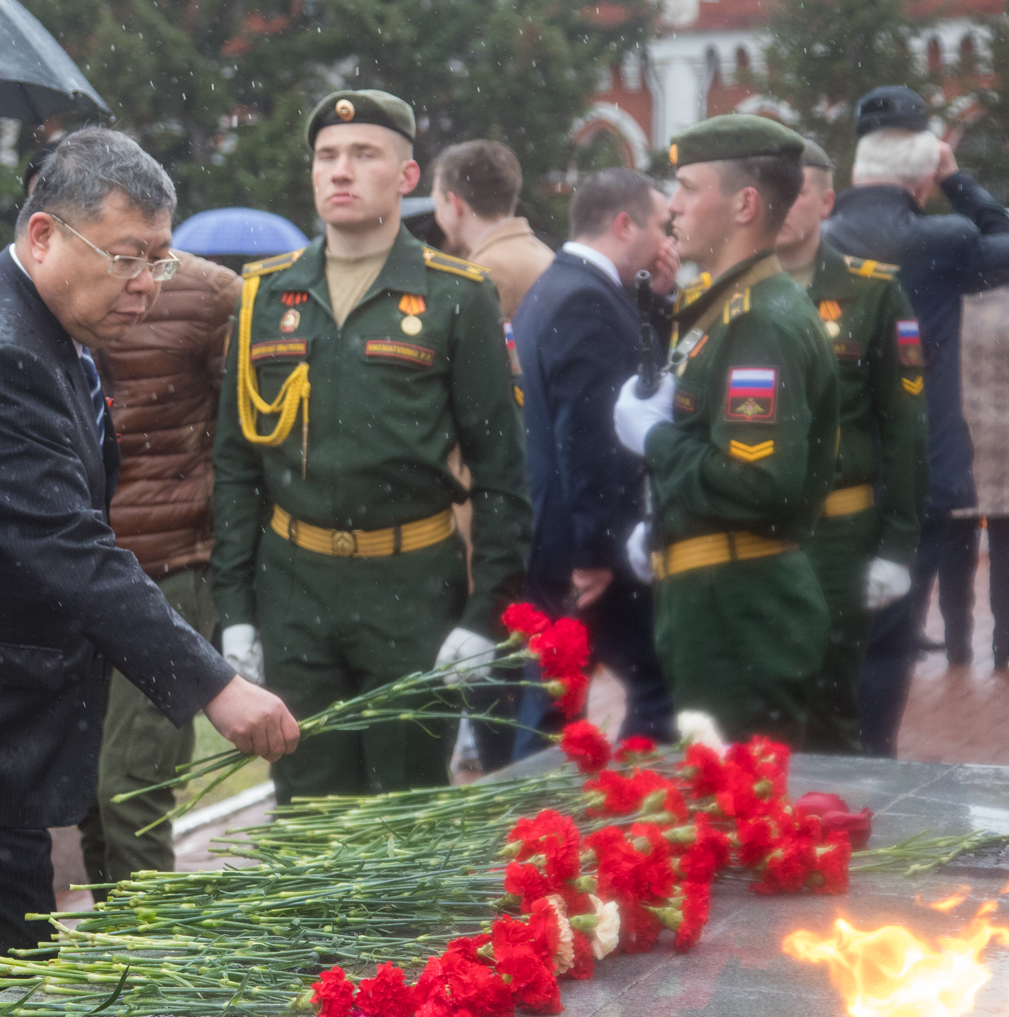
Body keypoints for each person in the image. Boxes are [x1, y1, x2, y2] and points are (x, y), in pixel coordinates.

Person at [0, 128, 299, 972]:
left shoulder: (28, 311)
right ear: (45, 234)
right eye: (128, 257)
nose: (148, 283)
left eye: (160, 258)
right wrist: (216, 685)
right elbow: (69, 547)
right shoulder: (0, 354)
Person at [213, 90, 530, 799]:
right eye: (327, 156)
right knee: (305, 807)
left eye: (363, 154)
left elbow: (502, 472)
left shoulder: (457, 297)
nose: (340, 170)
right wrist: (234, 610)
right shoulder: (264, 295)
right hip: (294, 588)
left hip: (411, 590)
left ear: (408, 176)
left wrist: (486, 613)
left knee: (405, 806)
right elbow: (236, 465)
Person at [611, 114, 840, 744]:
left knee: (736, 795)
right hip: (721, 600)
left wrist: (653, 439)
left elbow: (754, 481)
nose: (673, 205)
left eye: (688, 188)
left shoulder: (757, 320)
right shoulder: (726, 309)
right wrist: (665, 523)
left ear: (744, 205)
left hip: (740, 612)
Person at [821, 85, 1009, 754]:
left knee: (832, 638)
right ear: (922, 175)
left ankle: (825, 762)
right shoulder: (943, 240)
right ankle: (869, 763)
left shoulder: (821, 241)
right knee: (889, 648)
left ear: (856, 167)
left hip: (830, 472)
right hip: (920, 470)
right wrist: (955, 179)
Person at [78, 229, 241, 890]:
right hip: (77, 570)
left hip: (168, 567)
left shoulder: (208, 294)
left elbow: (244, 446)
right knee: (89, 799)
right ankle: (120, 944)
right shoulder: (49, 291)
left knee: (131, 789)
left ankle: (152, 949)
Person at [512, 168, 679, 754]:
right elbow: (589, 436)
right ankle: (627, 797)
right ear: (624, 224)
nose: (669, 242)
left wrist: (658, 304)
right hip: (585, 547)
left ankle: (557, 803)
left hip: (562, 534)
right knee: (654, 689)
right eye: (662, 226)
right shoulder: (585, 299)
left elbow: (633, 382)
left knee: (556, 702)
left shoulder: (563, 285)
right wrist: (595, 554)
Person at [773, 139, 927, 751]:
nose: (784, 205)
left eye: (799, 193)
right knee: (753, 705)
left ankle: (828, 813)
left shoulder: (874, 292)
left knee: (831, 706)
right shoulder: (725, 292)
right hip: (748, 532)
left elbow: (905, 424)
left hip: (836, 536)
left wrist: (898, 544)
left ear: (826, 202)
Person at [939, 281, 1009, 672]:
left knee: (955, 547)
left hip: (955, 446)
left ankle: (956, 642)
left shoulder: (948, 312)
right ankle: (1008, 639)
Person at [430, 139, 554, 322]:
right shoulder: (543, 253)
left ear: (456, 205)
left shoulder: (487, 273)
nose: (436, 212)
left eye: (437, 202)